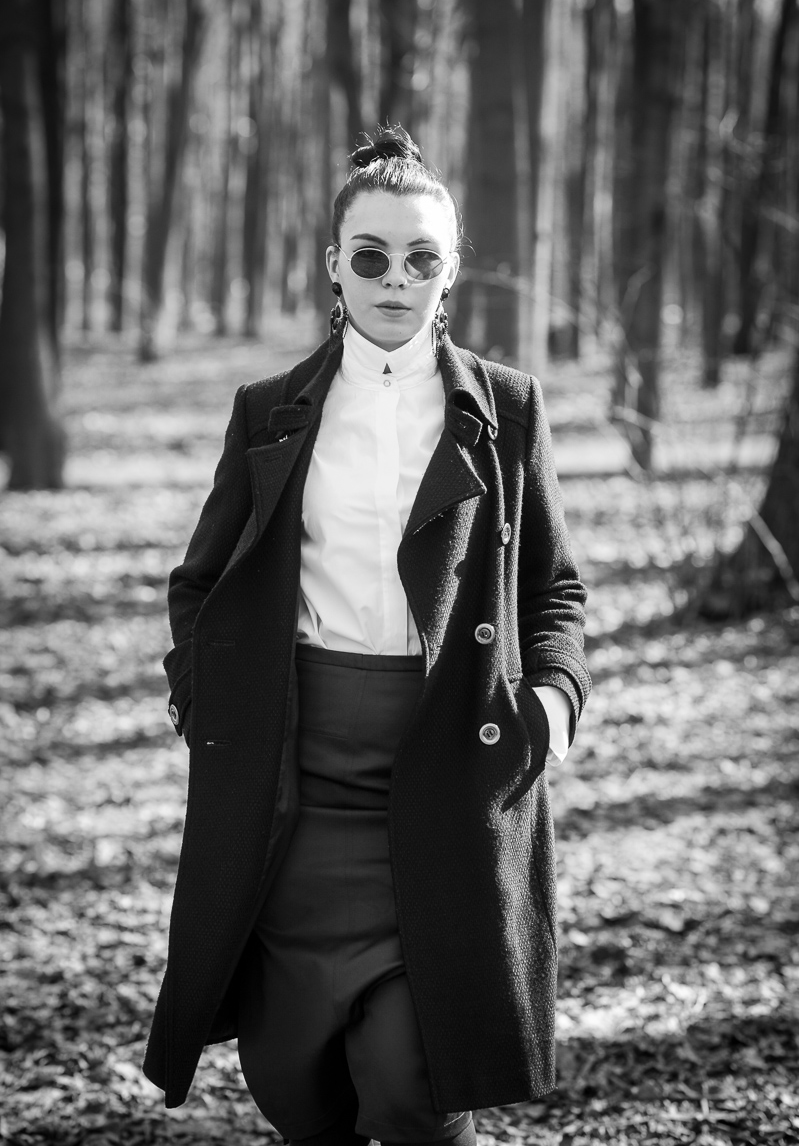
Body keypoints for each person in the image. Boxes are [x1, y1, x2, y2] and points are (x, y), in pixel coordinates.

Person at [142, 125, 591, 1146]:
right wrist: (205, 701)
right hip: (291, 779)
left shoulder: (508, 408)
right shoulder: (268, 411)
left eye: (421, 258)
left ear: (451, 271)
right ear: (333, 265)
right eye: (372, 255)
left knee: (413, 1076)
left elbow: (554, 589)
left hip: (450, 771)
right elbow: (200, 581)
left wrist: (550, 706)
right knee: (293, 1079)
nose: (396, 279)